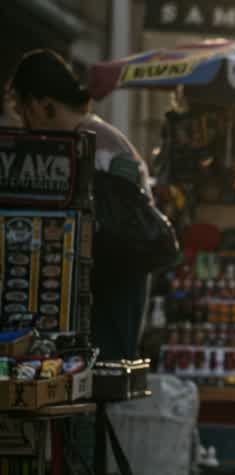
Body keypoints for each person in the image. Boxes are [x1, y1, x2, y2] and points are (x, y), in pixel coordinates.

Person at [6, 49, 150, 360]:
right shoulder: (73, 143)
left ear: (43, 104)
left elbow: (124, 231)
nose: (24, 125)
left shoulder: (102, 147)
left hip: (110, 292)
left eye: (23, 111)